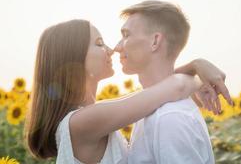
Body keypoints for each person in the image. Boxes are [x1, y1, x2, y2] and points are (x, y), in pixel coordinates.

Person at [24, 19, 229, 164]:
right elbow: (175, 87)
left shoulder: (92, 115)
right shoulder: (82, 122)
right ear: (74, 59)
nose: (111, 49)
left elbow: (156, 92)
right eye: (98, 44)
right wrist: (197, 67)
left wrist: (195, 68)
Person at [115, 0, 232, 164]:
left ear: (155, 41)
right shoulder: (153, 107)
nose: (117, 47)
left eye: (126, 35)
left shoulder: (169, 118)